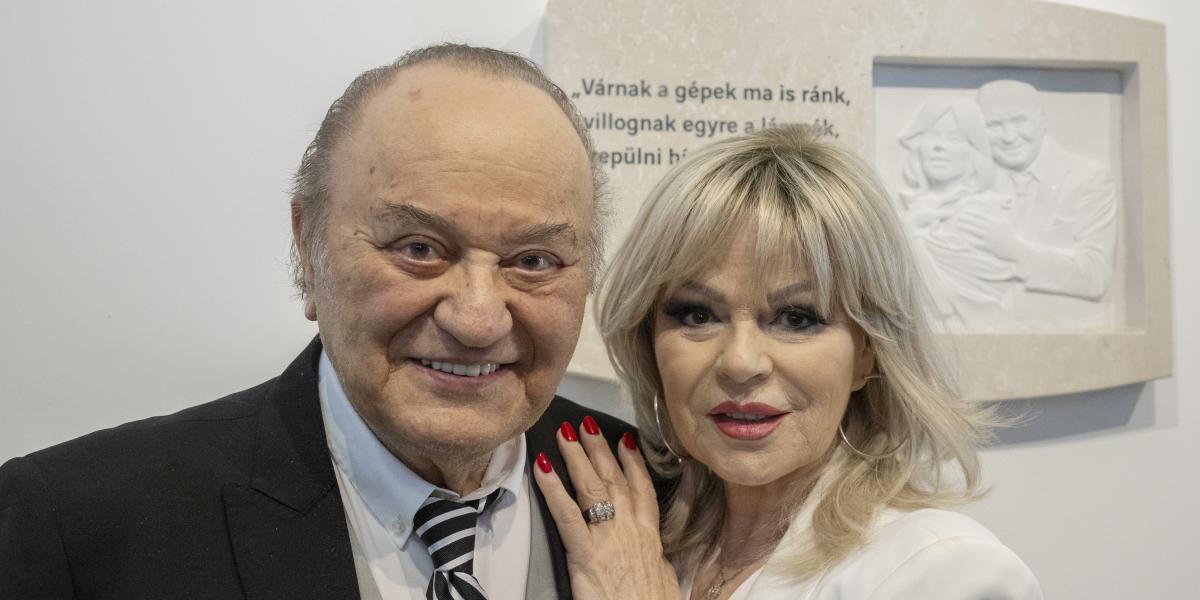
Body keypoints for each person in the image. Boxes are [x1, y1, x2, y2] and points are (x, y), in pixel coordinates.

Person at [0, 44, 631, 600]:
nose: (477, 319)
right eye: (418, 248)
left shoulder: (663, 500)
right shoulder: (75, 526)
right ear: (309, 249)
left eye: (533, 261)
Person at [531, 125, 1043, 599]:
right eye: (698, 315)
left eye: (797, 319)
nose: (741, 362)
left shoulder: (945, 571)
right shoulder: (645, 545)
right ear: (649, 341)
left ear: (867, 351)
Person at [962, 79, 1117, 330]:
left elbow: (1095, 275)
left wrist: (1014, 250)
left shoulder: (1088, 178)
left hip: (1070, 339)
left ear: (1042, 121)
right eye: (994, 125)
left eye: (1019, 121)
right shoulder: (969, 185)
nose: (1009, 136)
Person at [897, 97, 1017, 329]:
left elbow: (941, 304)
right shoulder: (908, 206)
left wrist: (908, 232)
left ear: (974, 153)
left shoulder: (982, 214)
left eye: (954, 139)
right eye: (931, 136)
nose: (939, 146)